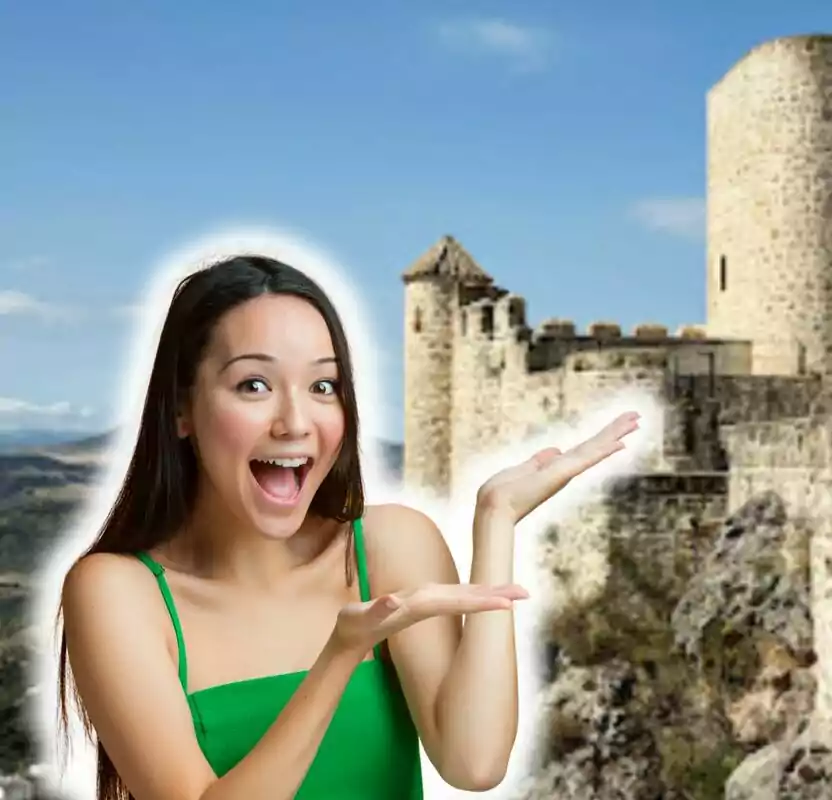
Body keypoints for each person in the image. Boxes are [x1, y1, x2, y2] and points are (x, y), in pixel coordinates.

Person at [54, 255, 639, 800]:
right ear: (182, 409)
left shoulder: (392, 547)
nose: (295, 421)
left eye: (323, 386)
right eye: (253, 385)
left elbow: (474, 763)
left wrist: (497, 521)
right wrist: (339, 655)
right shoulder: (117, 593)